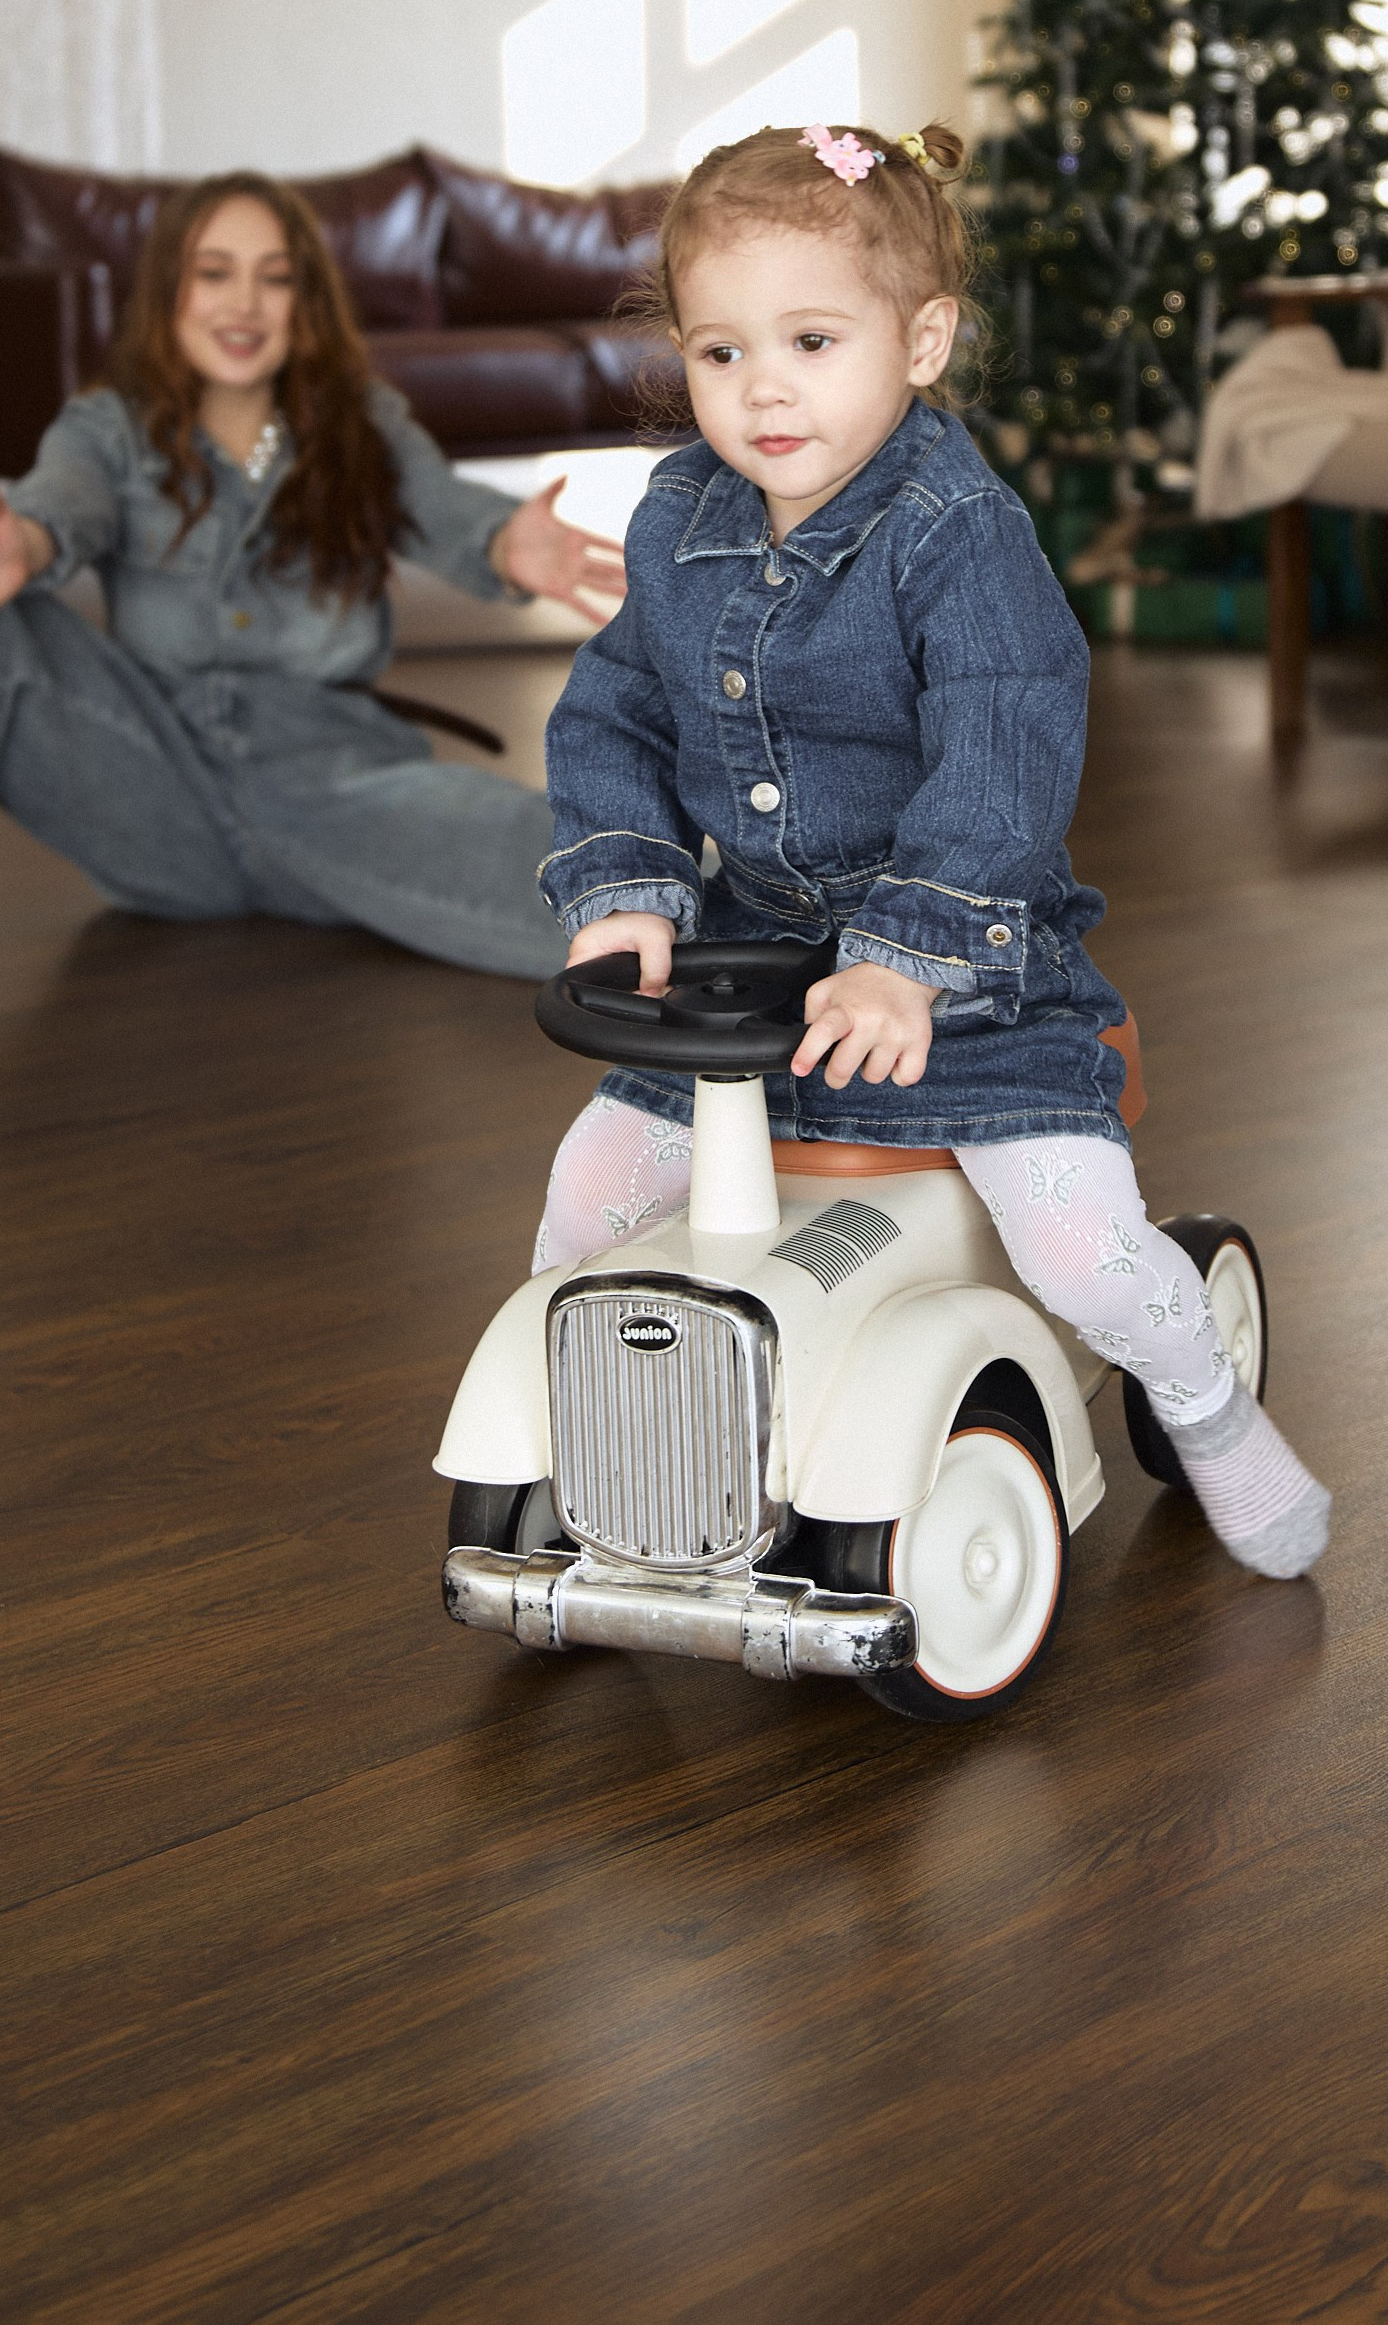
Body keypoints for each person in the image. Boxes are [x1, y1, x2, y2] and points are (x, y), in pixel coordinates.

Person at [533, 118, 1330, 1581]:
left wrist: (905, 957)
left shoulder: (959, 532)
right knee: (590, 1189)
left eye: (813, 338)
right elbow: (612, 709)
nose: (762, 386)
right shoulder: (677, 521)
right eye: (720, 352)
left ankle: (1207, 1407)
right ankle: (598, 1433)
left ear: (922, 340)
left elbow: (1002, 748)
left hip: (974, 982)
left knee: (1076, 1246)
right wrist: (627, 887)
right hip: (752, 970)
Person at [0, 172, 622, 1027]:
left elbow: (446, 507)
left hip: (341, 788)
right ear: (168, 292)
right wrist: (21, 543)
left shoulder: (363, 423)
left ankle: (759, 935)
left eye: (273, 278)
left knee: (579, 871)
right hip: (155, 794)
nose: (243, 304)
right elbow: (64, 497)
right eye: (213, 273)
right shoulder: (109, 427)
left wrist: (507, 540)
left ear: (305, 302)